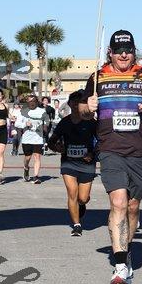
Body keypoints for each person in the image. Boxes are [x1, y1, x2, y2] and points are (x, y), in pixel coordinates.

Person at [83, 30, 142, 284]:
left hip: (140, 151)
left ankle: (127, 250)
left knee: (132, 206)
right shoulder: (98, 77)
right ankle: (120, 265)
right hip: (110, 149)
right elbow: (82, 111)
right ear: (110, 52)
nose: (124, 55)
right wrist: (87, 107)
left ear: (134, 51)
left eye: (128, 50)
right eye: (119, 50)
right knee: (118, 202)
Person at [48, 90, 96, 236]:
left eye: (79, 102)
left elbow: (101, 141)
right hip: (68, 163)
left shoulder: (91, 122)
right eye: (73, 102)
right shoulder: (64, 122)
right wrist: (57, 147)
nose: (76, 105)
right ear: (69, 104)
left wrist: (92, 154)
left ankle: (81, 204)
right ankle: (76, 225)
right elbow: (51, 141)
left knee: (83, 198)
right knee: (72, 193)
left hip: (87, 164)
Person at [14, 94, 49, 184]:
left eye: (33, 101)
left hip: (38, 138)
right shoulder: (23, 111)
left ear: (36, 102)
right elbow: (17, 124)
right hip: (27, 139)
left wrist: (45, 126)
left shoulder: (42, 111)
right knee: (27, 158)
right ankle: (26, 167)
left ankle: (36, 176)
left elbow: (46, 121)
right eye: (30, 101)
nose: (32, 103)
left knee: (37, 156)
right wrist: (25, 124)